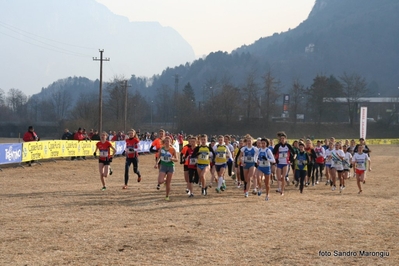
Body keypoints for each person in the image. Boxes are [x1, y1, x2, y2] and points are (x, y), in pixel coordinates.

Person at [154, 136, 178, 201]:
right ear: (164, 142)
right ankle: (164, 181)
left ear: (170, 142)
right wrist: (156, 164)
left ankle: (167, 196)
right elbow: (159, 157)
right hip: (163, 166)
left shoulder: (173, 149)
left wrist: (172, 159)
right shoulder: (162, 149)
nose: (167, 142)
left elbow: (176, 159)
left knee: (168, 183)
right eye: (166, 141)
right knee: (160, 181)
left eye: (168, 141)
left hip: (170, 166)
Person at [273, 131, 295, 196]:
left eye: (283, 138)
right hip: (279, 163)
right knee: (279, 177)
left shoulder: (288, 146)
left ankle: (282, 191)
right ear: (280, 139)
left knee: (283, 177)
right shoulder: (277, 146)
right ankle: (279, 188)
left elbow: (294, 153)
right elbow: (273, 153)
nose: (282, 140)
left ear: (285, 139)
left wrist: (292, 160)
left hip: (285, 163)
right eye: (281, 138)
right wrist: (275, 160)